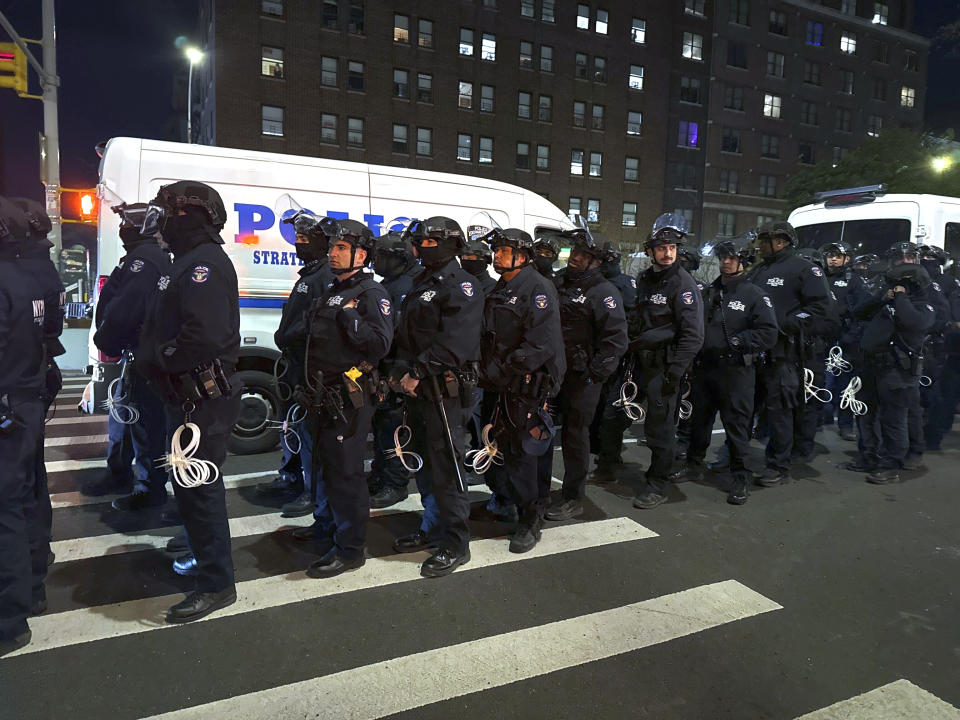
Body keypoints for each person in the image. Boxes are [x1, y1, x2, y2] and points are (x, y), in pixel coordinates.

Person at [136, 181, 243, 623]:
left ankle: (216, 584)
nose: (159, 226)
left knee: (200, 491)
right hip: (184, 397)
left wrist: (161, 361)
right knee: (189, 488)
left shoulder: (205, 265)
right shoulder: (186, 263)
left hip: (200, 399)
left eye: (167, 215)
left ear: (190, 217)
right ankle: (202, 559)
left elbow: (202, 337)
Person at [299, 219, 393, 578]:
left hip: (348, 396)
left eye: (340, 248)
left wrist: (350, 316)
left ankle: (351, 549)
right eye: (333, 247)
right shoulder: (331, 288)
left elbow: (379, 345)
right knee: (325, 468)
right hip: (322, 396)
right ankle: (328, 527)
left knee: (346, 473)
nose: (332, 253)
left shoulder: (371, 294)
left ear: (361, 254)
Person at [391, 217, 483, 576]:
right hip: (418, 389)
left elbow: (455, 343)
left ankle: (456, 543)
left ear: (451, 244)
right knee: (425, 466)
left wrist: (416, 372)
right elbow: (408, 334)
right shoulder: (422, 281)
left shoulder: (462, 286)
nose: (423, 246)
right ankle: (432, 527)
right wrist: (399, 371)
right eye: (422, 240)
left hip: (443, 390)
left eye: (432, 241)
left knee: (447, 469)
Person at [479, 228, 565, 551]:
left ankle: (531, 519)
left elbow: (539, 345)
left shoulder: (538, 289)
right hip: (501, 384)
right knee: (502, 449)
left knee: (525, 454)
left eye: (504, 250)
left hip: (525, 386)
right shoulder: (500, 288)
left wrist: (499, 371)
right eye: (496, 249)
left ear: (523, 256)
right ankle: (510, 500)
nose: (497, 255)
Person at [682, 239, 778, 504]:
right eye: (723, 256)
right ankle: (693, 464)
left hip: (736, 371)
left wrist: (739, 341)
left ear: (743, 261)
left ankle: (740, 477)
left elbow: (768, 333)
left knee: (736, 425)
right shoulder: (709, 291)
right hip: (705, 369)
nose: (726, 261)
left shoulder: (754, 294)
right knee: (699, 421)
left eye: (732, 257)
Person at [92, 203, 172, 511]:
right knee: (127, 420)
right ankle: (127, 477)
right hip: (139, 353)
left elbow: (127, 307)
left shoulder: (145, 259)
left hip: (142, 354)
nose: (122, 227)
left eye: (128, 222)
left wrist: (107, 340)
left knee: (143, 424)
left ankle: (148, 489)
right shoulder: (143, 257)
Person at [0, 197, 53, 656]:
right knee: (26, 497)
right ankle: (32, 585)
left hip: (10, 402)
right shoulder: (28, 277)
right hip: (25, 397)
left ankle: (10, 619)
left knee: (6, 510)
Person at [544, 231, 627, 521]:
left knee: (574, 437)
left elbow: (616, 340)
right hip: (554, 373)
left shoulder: (604, 292)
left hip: (582, 378)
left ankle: (573, 497)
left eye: (584, 255)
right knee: (541, 432)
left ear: (596, 261)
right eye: (575, 251)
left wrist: (595, 375)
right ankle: (540, 490)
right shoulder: (559, 282)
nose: (576, 257)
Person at [259, 210, 336, 518]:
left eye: (305, 239)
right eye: (299, 239)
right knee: (292, 425)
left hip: (309, 367)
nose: (299, 245)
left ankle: (311, 491)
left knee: (310, 435)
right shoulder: (310, 274)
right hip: (295, 366)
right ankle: (292, 477)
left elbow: (315, 326)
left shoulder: (324, 277)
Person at [627, 213, 704, 509]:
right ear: (651, 250)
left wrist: (675, 372)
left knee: (660, 430)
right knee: (620, 416)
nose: (668, 252)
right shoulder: (646, 279)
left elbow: (692, 335)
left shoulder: (682, 284)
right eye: (662, 247)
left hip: (665, 366)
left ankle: (658, 484)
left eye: (672, 247)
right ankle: (608, 465)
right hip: (641, 362)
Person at [747, 221, 831, 486]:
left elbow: (820, 308)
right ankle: (734, 455)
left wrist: (786, 324)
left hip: (784, 353)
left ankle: (778, 465)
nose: (760, 246)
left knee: (779, 410)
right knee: (744, 407)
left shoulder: (805, 269)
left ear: (781, 241)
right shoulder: (759, 270)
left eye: (765, 241)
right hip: (754, 351)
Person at [850, 252, 936, 484]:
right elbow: (858, 312)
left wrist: (900, 297)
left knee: (893, 419)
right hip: (872, 366)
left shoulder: (925, 308)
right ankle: (868, 456)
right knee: (866, 414)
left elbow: (911, 322)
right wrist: (882, 297)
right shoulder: (887, 301)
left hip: (897, 371)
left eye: (899, 284)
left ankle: (891, 465)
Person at [366, 230, 421, 509]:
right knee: (381, 425)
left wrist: (398, 372)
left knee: (395, 427)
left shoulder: (407, 286)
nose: (376, 261)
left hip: (398, 369)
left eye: (382, 256)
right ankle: (380, 474)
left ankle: (395, 482)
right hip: (384, 367)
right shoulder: (389, 283)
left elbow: (402, 333)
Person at [819, 242, 857, 441]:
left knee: (845, 386)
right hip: (822, 339)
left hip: (844, 341)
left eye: (837, 255)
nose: (833, 259)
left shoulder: (853, 280)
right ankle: (819, 418)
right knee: (819, 381)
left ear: (846, 259)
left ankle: (845, 424)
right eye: (830, 255)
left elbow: (860, 309)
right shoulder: (819, 278)